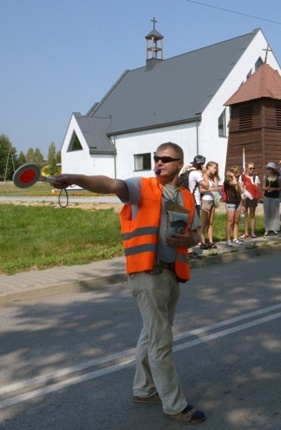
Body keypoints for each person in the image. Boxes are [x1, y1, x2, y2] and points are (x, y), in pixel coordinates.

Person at [50, 142, 206, 424]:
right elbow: (110, 184)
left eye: (165, 159)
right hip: (147, 274)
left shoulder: (185, 196)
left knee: (152, 333)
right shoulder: (141, 187)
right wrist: (75, 179)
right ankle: (175, 405)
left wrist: (190, 240)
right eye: (155, 158)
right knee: (161, 339)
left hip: (172, 274)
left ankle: (144, 389)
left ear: (179, 164)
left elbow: (196, 235)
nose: (158, 163)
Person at [199, 161, 220, 249]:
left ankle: (210, 241)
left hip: (212, 201)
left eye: (216, 168)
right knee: (204, 223)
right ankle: (202, 242)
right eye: (214, 167)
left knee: (210, 222)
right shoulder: (203, 176)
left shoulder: (211, 177)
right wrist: (212, 189)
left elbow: (216, 186)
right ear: (209, 167)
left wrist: (215, 176)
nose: (216, 169)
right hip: (205, 201)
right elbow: (201, 190)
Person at [187, 155, 207, 249]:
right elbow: (206, 185)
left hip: (188, 200)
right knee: (194, 226)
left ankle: (191, 247)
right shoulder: (196, 173)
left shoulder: (188, 172)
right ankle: (193, 246)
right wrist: (205, 173)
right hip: (195, 202)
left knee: (190, 225)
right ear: (201, 165)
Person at [240, 162, 262, 239]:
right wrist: (243, 190)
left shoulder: (255, 177)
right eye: (250, 168)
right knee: (245, 215)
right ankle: (245, 232)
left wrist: (249, 189)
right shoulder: (242, 177)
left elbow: (255, 188)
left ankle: (252, 232)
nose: (252, 170)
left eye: (253, 168)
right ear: (246, 168)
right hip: (245, 198)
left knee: (252, 214)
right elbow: (240, 187)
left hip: (252, 198)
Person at [223, 166, 244, 246]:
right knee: (230, 221)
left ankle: (235, 238)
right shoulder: (227, 181)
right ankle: (228, 239)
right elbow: (234, 183)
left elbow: (240, 192)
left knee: (236, 221)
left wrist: (242, 203)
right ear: (233, 173)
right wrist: (232, 176)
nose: (238, 174)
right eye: (237, 172)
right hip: (230, 203)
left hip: (237, 202)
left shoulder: (238, 181)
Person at [262, 162, 281, 236]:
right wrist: (266, 188)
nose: (267, 170)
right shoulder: (265, 177)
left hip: (275, 196)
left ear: (272, 170)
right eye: (267, 169)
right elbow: (263, 187)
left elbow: (280, 187)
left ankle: (274, 228)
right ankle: (267, 228)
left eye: (268, 169)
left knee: (275, 213)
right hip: (267, 196)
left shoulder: (278, 177)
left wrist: (274, 189)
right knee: (267, 213)